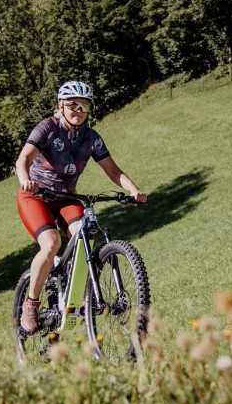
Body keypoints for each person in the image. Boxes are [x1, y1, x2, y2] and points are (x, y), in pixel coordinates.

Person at [15, 80, 147, 333]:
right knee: (51, 243)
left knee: (84, 234)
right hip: (36, 197)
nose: (78, 110)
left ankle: (81, 291)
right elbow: (24, 159)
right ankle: (31, 303)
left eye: (84, 106)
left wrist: (133, 190)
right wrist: (26, 181)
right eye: (72, 105)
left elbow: (112, 170)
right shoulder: (48, 128)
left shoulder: (91, 138)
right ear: (61, 106)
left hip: (66, 198)